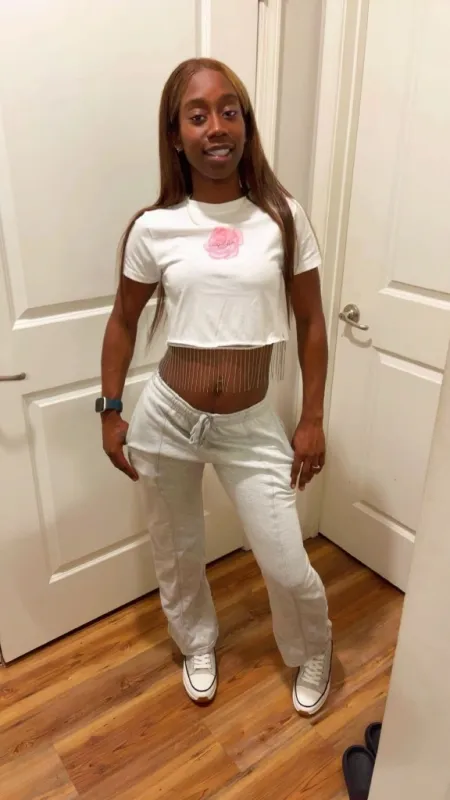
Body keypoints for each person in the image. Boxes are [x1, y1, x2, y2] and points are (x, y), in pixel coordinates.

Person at [98, 57, 332, 715]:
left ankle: (313, 650)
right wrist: (110, 409)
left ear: (245, 124)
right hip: (168, 417)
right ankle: (196, 642)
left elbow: (312, 322)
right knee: (177, 552)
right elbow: (122, 321)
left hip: (251, 424)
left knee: (286, 561)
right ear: (176, 135)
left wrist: (312, 418)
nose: (216, 127)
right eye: (197, 116)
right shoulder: (154, 227)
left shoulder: (282, 216)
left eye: (229, 111)